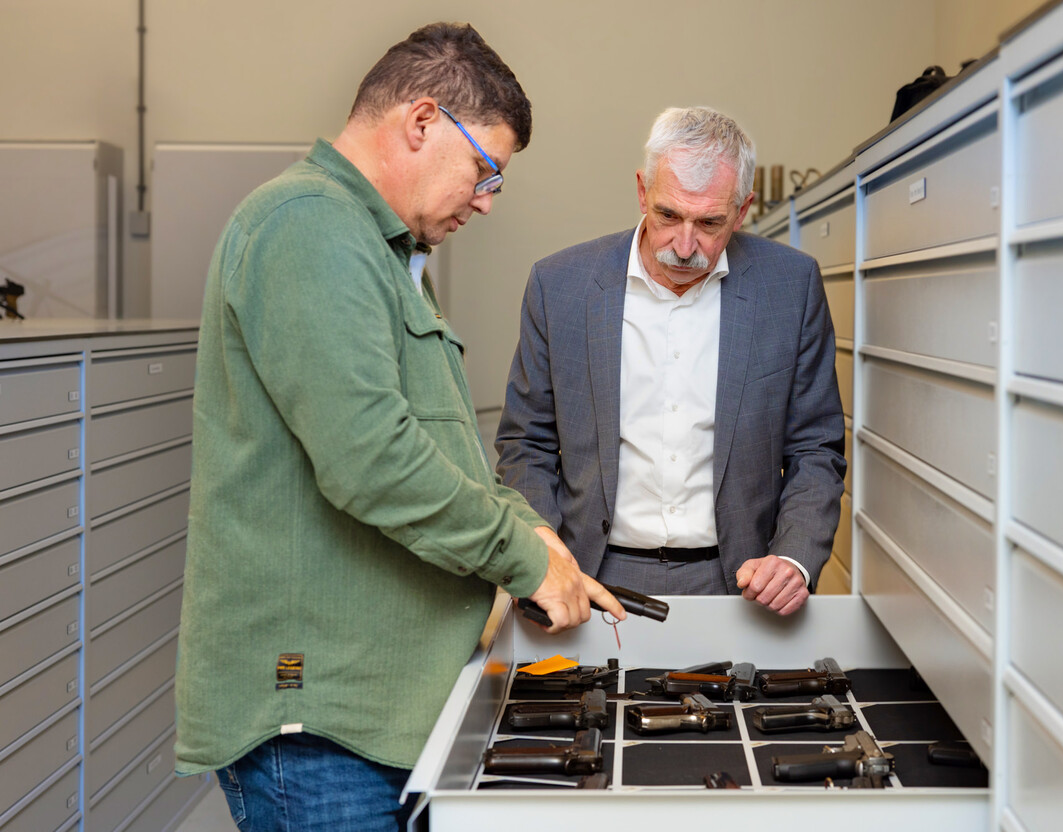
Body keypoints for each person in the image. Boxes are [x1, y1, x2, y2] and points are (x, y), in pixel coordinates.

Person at [174, 23, 624, 832]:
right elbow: (371, 459)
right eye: (486, 170)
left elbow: (441, 451)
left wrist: (538, 536)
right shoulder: (309, 227)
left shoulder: (381, 253)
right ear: (421, 122)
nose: (486, 200)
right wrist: (522, 557)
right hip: (323, 728)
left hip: (376, 714)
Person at [496, 106, 846, 617]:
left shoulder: (790, 287)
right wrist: (543, 552)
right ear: (642, 191)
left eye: (709, 223)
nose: (685, 246)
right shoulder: (560, 286)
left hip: (739, 581)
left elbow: (816, 447)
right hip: (590, 574)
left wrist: (793, 557)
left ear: (743, 209)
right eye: (667, 215)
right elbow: (526, 442)